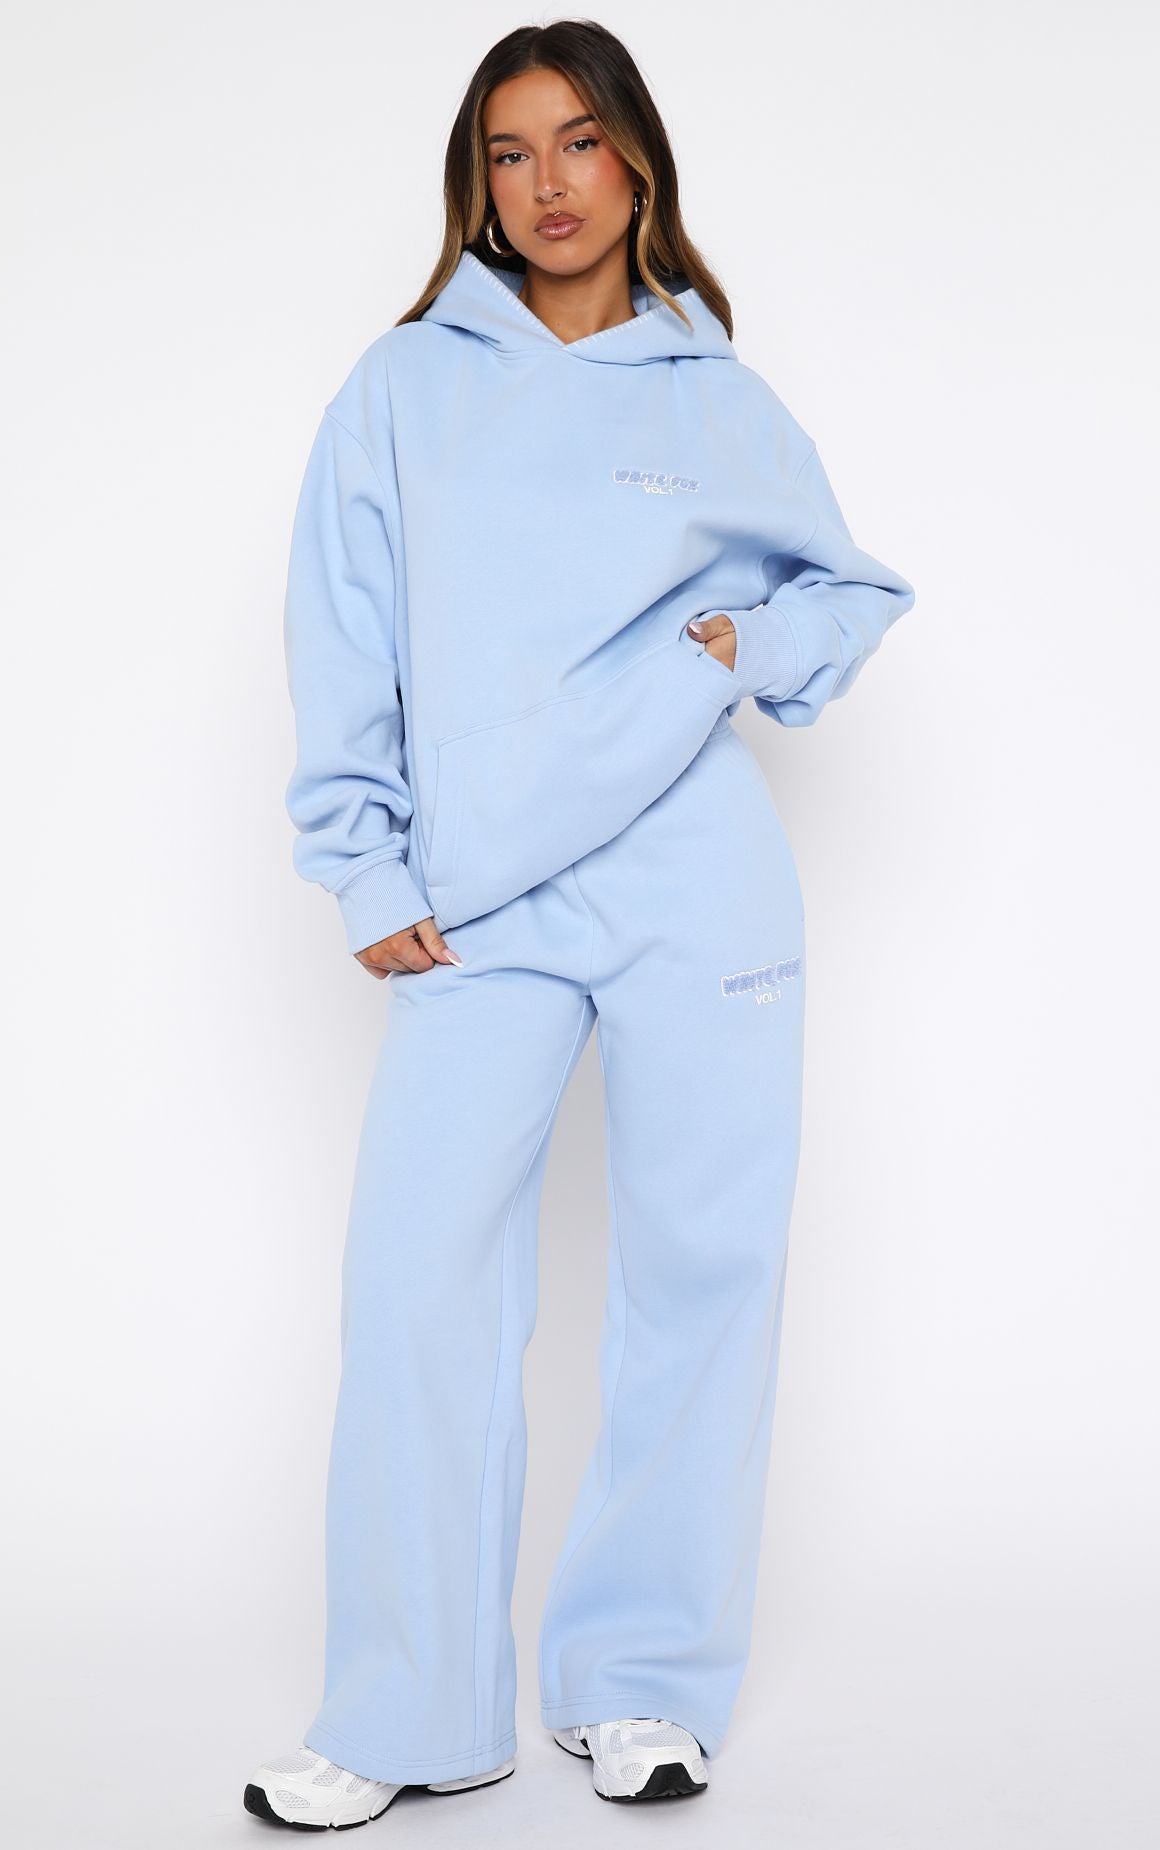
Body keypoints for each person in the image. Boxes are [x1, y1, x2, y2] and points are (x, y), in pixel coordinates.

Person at [245, 17, 915, 1831]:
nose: (547, 184)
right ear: (476, 179)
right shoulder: (403, 388)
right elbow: (340, 627)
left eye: (580, 142)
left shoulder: (715, 395)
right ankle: (411, 1709)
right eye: (510, 150)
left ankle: (640, 1682)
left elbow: (851, 591)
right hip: (480, 903)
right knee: (417, 1284)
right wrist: (366, 864)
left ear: (638, 162)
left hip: (697, 877)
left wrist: (752, 642)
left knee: (703, 1269)